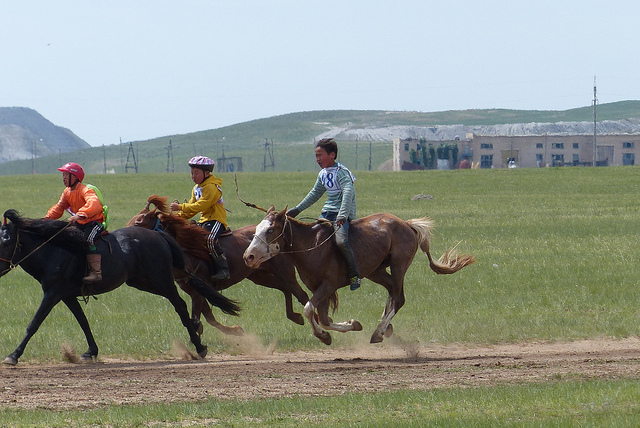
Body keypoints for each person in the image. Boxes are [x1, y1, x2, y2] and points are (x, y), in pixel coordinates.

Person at [286, 138, 362, 291]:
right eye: (316, 156)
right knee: (314, 238)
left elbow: (348, 193)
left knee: (341, 242)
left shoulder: (342, 172)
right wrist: (297, 209)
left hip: (341, 216)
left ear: (332, 155)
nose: (318, 159)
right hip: (326, 213)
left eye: (320, 155)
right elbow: (315, 194)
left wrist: (342, 215)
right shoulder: (323, 174)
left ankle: (354, 275)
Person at [170, 156, 230, 281]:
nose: (193, 176)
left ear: (207, 173)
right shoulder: (196, 188)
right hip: (204, 220)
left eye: (196, 173)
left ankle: (224, 269)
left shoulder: (211, 187)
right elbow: (191, 209)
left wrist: (179, 206)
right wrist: (175, 218)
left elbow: (201, 205)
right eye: (192, 173)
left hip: (216, 220)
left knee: (210, 240)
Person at [45, 162, 107, 284]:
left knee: (88, 239)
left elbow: (94, 203)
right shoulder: (67, 192)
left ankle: (96, 273)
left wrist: (79, 215)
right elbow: (59, 208)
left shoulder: (85, 190)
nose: (63, 178)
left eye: (66, 175)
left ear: (75, 176)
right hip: (80, 223)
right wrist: (46, 219)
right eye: (63, 175)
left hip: (94, 223)